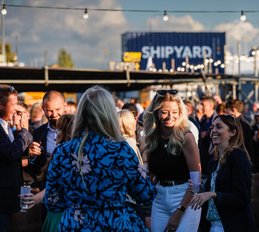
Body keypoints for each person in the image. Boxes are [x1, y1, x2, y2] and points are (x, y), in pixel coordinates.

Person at [43, 85, 156, 231]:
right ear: (109, 114)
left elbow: (52, 201)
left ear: (81, 114)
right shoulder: (121, 150)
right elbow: (144, 195)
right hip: (114, 224)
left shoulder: (62, 151)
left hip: (76, 225)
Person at [143, 89, 201, 232]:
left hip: (185, 198)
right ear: (156, 112)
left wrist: (180, 211)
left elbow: (197, 181)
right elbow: (149, 173)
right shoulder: (150, 138)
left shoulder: (186, 137)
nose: (170, 116)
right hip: (160, 197)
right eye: (164, 112)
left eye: (174, 112)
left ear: (180, 113)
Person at [190, 114, 256, 232]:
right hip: (213, 225)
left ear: (233, 132)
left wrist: (213, 194)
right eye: (212, 127)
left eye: (219, 127)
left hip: (232, 225)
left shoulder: (237, 157)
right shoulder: (214, 162)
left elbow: (242, 197)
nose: (213, 130)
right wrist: (200, 190)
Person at [0, 85, 33, 231]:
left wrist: (29, 152)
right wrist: (24, 132)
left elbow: (13, 156)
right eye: (13, 105)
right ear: (1, 106)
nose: (16, 109)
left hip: (10, 198)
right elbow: (9, 153)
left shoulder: (7, 126)